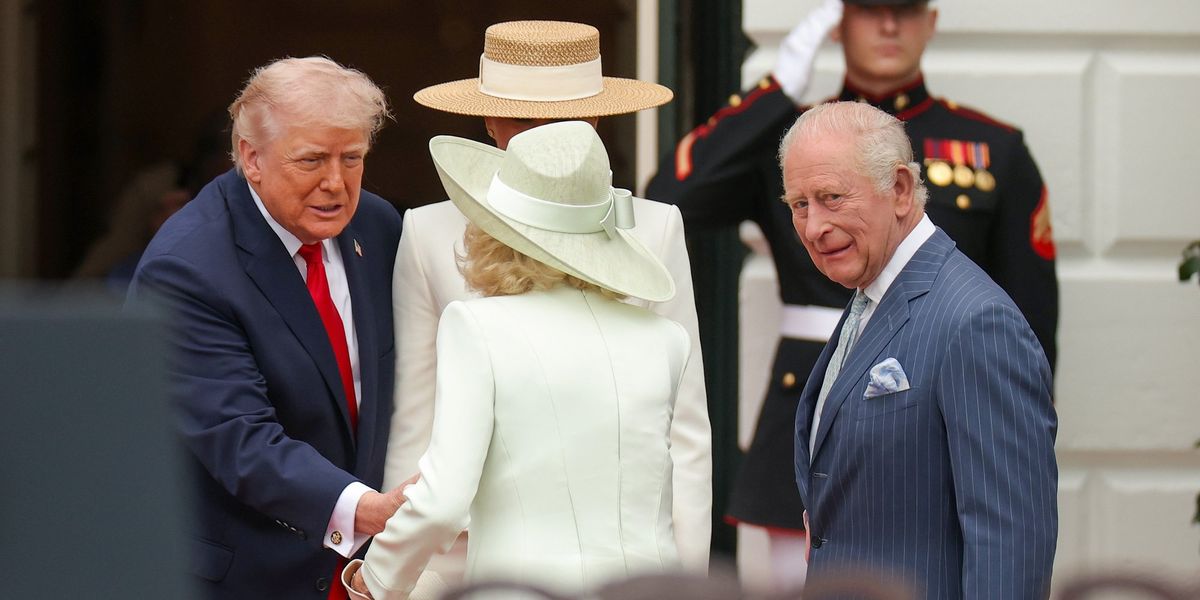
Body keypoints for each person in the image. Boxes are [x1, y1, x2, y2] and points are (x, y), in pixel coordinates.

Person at [645, 0, 1059, 586]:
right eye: (870, 11)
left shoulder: (992, 149)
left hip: (925, 451)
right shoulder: (793, 140)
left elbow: (1026, 325)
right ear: (840, 23)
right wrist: (773, 91)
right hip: (809, 408)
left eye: (905, 11)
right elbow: (669, 200)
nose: (816, 226)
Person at [385, 20, 713, 578]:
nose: (543, 136)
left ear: (596, 122)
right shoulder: (427, 231)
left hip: (627, 565)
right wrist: (402, 571)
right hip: (463, 554)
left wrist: (689, 580)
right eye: (523, 120)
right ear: (488, 120)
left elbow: (683, 430)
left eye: (562, 121)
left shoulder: (653, 227)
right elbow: (415, 416)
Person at [343, 121, 692, 598]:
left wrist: (377, 576)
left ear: (493, 230)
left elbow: (443, 502)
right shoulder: (667, 340)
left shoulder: (476, 328)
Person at [127, 56, 405, 598]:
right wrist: (366, 509)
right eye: (311, 160)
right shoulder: (186, 268)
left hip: (368, 573)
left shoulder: (377, 225)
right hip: (248, 577)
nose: (336, 183)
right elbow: (240, 439)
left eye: (353, 158)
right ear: (251, 158)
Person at [784, 101, 1057, 598]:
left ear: (901, 190)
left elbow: (1010, 548)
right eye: (800, 205)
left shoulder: (976, 322)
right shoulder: (874, 293)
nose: (814, 226)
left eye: (832, 197)